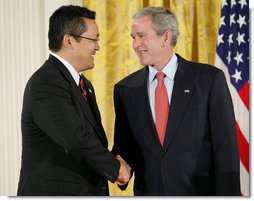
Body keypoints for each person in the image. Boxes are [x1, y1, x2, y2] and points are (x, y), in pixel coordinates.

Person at [112, 6, 240, 196]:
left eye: (141, 36)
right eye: (133, 37)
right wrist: (119, 167)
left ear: (166, 37)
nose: (136, 44)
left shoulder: (208, 80)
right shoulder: (126, 89)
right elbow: (125, 147)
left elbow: (225, 149)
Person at [17, 5, 130, 196]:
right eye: (93, 39)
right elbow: (75, 137)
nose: (97, 46)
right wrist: (115, 167)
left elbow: (91, 139)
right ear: (69, 41)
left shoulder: (84, 84)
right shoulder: (46, 82)